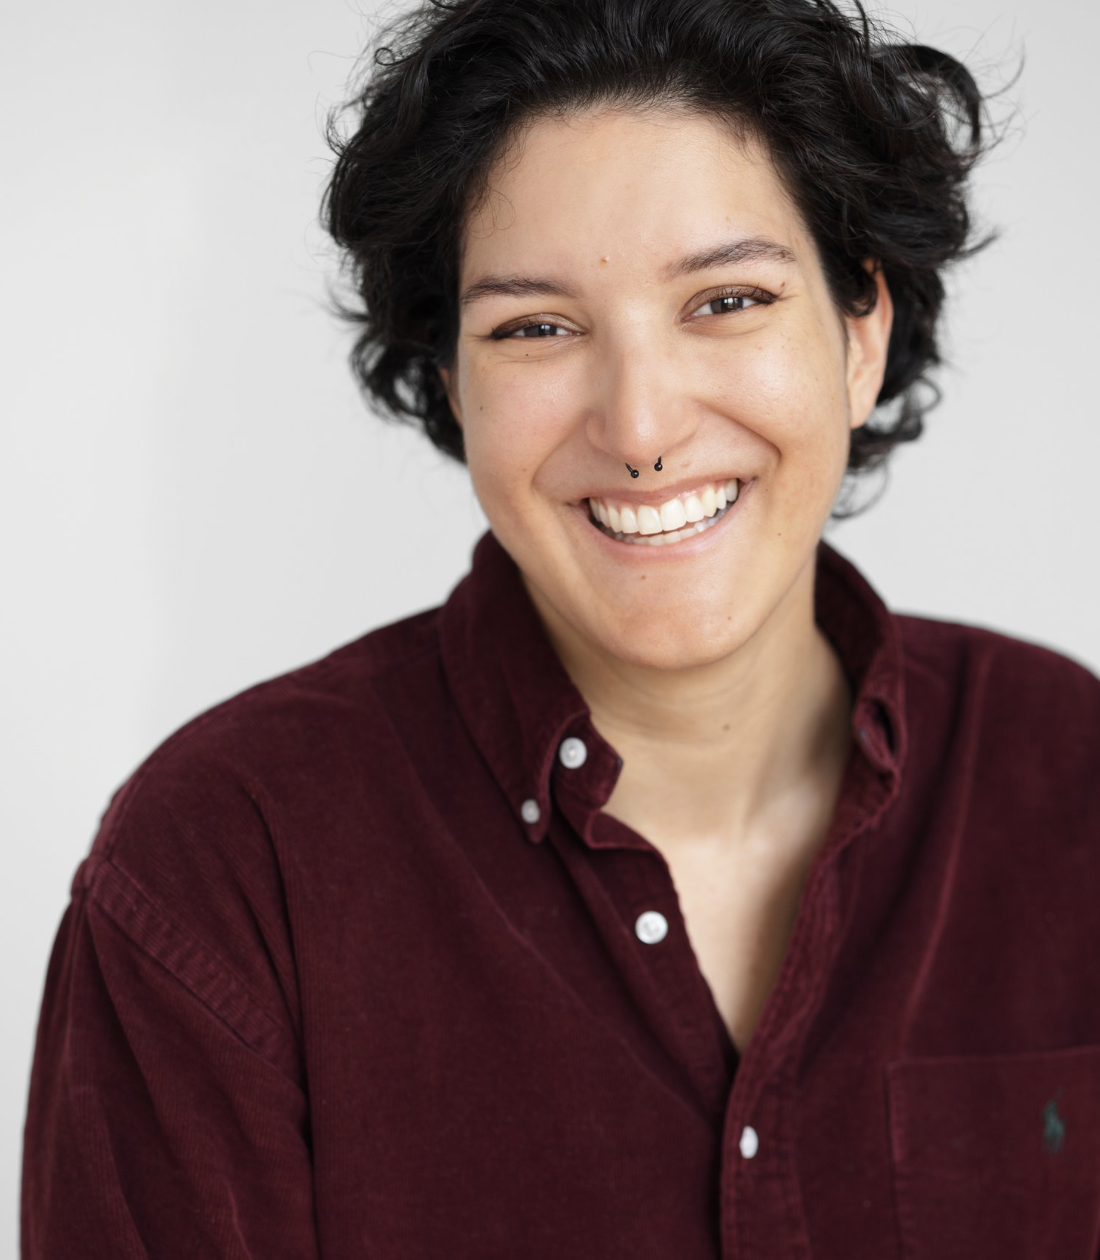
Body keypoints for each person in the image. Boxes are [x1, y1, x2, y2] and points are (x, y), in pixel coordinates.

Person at [21, 0, 1100, 1256]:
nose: (639, 427)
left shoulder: (1063, 769)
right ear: (449, 381)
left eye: (726, 300)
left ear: (860, 335)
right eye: (534, 327)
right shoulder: (225, 867)